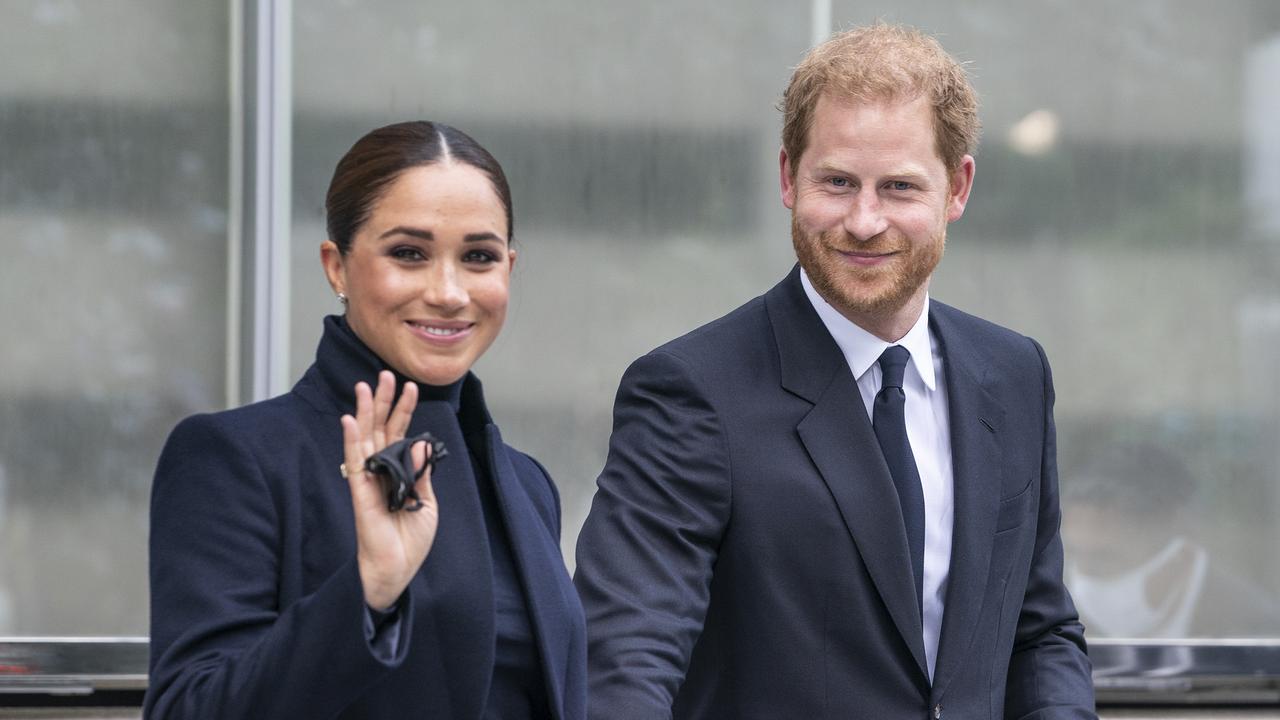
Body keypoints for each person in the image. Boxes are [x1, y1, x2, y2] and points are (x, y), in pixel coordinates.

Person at [573, 24, 1096, 719]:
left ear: (957, 189)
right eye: (838, 182)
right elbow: (624, 661)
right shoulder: (689, 392)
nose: (865, 220)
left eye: (900, 187)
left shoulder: (1014, 374)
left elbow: (1040, 630)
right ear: (789, 177)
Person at [146, 121, 586, 719]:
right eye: (409, 253)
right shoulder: (235, 458)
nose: (450, 291)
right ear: (336, 266)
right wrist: (369, 590)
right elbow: (188, 711)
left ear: (509, 268)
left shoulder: (526, 483)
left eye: (478, 257)